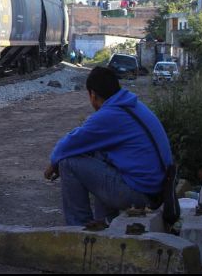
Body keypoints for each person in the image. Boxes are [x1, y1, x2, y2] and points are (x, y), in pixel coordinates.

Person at [44, 67, 173, 226]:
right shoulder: (132, 105)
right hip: (157, 189)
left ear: (92, 95)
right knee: (99, 154)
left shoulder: (109, 115)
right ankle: (104, 222)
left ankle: (78, 228)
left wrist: (53, 162)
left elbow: (68, 145)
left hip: (140, 194)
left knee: (67, 163)